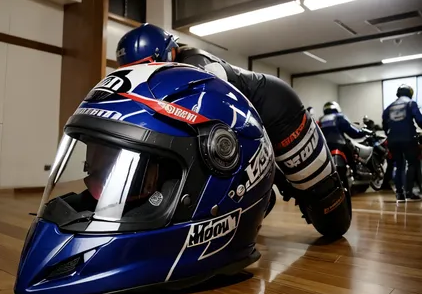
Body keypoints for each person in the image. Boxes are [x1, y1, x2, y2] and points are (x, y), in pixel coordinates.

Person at [115, 23, 351, 237]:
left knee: (331, 217)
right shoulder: (162, 80)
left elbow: (225, 122)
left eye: (148, 67)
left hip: (278, 112)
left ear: (168, 55)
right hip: (246, 120)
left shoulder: (196, 67)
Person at [383, 85, 422, 202]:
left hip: (393, 140)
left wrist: (389, 134)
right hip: (408, 138)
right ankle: (409, 192)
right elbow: (419, 120)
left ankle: (399, 194)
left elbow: (385, 124)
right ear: (410, 93)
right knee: (412, 163)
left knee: (399, 165)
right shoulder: (411, 103)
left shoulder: (389, 107)